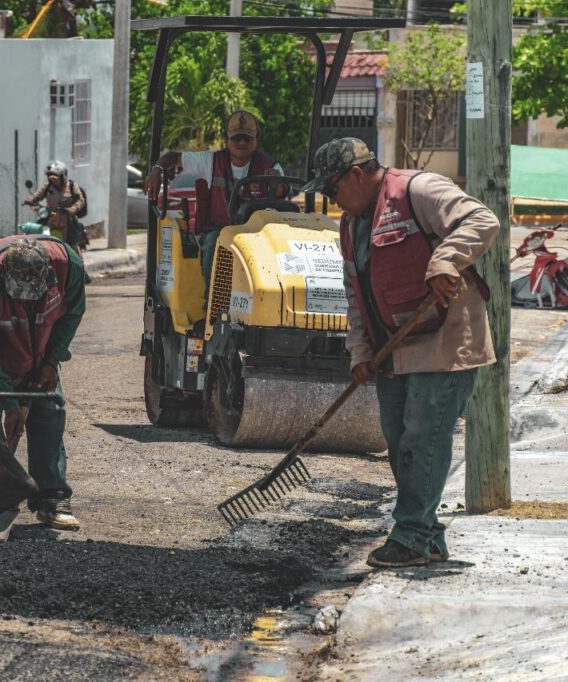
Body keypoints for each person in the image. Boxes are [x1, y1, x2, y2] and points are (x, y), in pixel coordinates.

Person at [301, 137, 499, 569]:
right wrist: (359, 352)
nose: (334, 201)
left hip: (444, 343)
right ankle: (428, 537)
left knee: (423, 440)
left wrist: (446, 261)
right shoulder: (350, 226)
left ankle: (410, 537)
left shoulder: (418, 190)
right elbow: (355, 295)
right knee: (399, 444)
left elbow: (482, 220)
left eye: (333, 189)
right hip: (393, 350)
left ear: (357, 174)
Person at [0, 236, 86, 530]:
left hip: (38, 334)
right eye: (19, 296)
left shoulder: (68, 267)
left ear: (48, 274)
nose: (24, 301)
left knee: (49, 408)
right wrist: (11, 406)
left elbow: (72, 313)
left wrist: (50, 362)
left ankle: (51, 497)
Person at [144, 110, 286, 283]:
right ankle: (212, 296)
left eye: (247, 138)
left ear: (256, 139)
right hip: (219, 230)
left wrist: (275, 182)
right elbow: (173, 157)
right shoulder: (210, 161)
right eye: (237, 138)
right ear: (226, 139)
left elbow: (282, 193)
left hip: (258, 232)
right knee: (213, 242)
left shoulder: (270, 166)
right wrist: (157, 170)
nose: (242, 142)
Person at [23, 160, 91, 281]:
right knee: (44, 244)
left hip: (68, 222)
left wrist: (71, 209)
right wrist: (30, 199)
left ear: (63, 176)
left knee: (73, 247)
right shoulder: (48, 186)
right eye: (50, 177)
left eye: (55, 177)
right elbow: (38, 195)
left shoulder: (71, 186)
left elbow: (81, 200)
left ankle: (81, 273)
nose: (53, 180)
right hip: (52, 221)